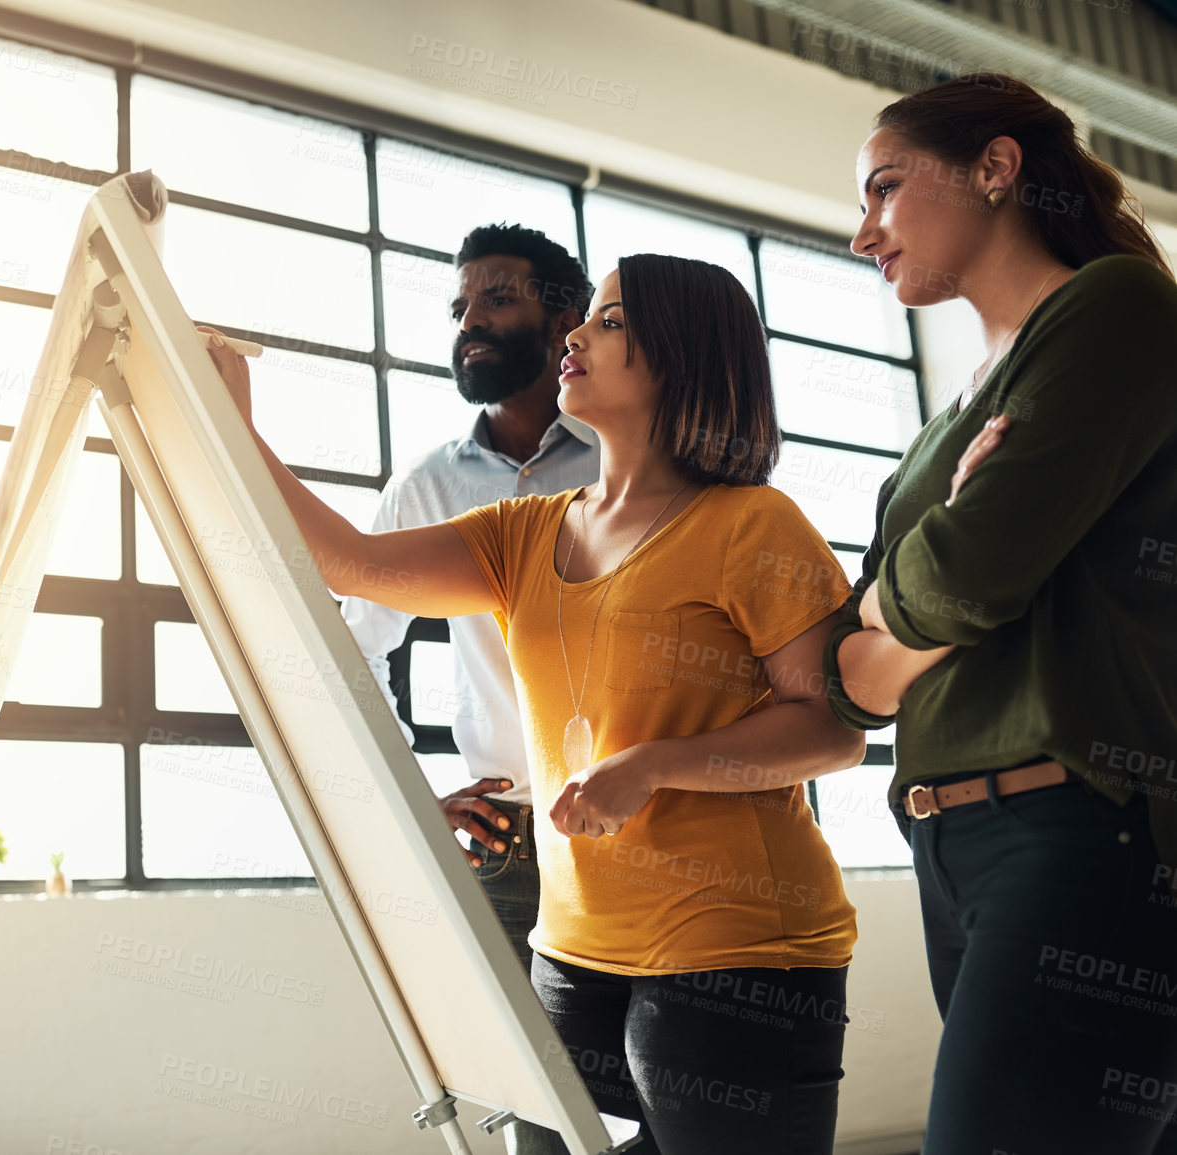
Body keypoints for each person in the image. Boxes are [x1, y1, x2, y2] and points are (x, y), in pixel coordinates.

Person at [202, 252, 865, 1155]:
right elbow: (347, 562)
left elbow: (831, 729)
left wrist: (653, 765)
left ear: (684, 355)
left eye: (612, 321)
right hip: (571, 946)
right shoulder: (524, 533)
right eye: (585, 317)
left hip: (735, 950)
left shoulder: (753, 524)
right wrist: (230, 426)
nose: (577, 335)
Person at [826, 72, 1177, 1155]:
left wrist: (910, 606)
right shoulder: (951, 426)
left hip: (1080, 829)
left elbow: (963, 584)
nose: (861, 233)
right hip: (949, 845)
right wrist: (923, 597)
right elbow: (849, 676)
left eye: (884, 189)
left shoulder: (1113, 308)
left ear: (996, 167)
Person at [343, 222, 600, 1155]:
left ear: (564, 315)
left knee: (646, 1094)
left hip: (641, 825)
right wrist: (418, 793)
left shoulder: (628, 461)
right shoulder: (427, 483)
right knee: (535, 1105)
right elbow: (348, 648)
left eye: (497, 299)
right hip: (509, 843)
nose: (470, 324)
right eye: (460, 308)